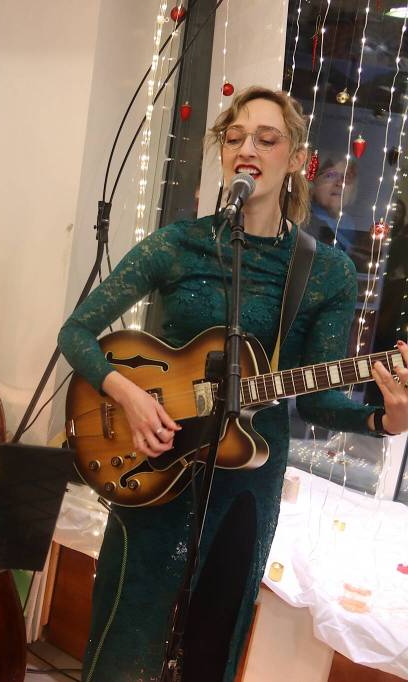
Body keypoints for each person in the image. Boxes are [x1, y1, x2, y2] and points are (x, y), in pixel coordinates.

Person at [57, 86, 408, 682]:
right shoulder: (177, 244)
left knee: (211, 641)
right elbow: (78, 333)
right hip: (157, 463)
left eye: (267, 139)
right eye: (236, 137)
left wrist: (383, 420)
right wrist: (129, 395)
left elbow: (321, 398)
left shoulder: (325, 271)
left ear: (297, 159)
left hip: (247, 483)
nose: (248, 149)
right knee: (129, 629)